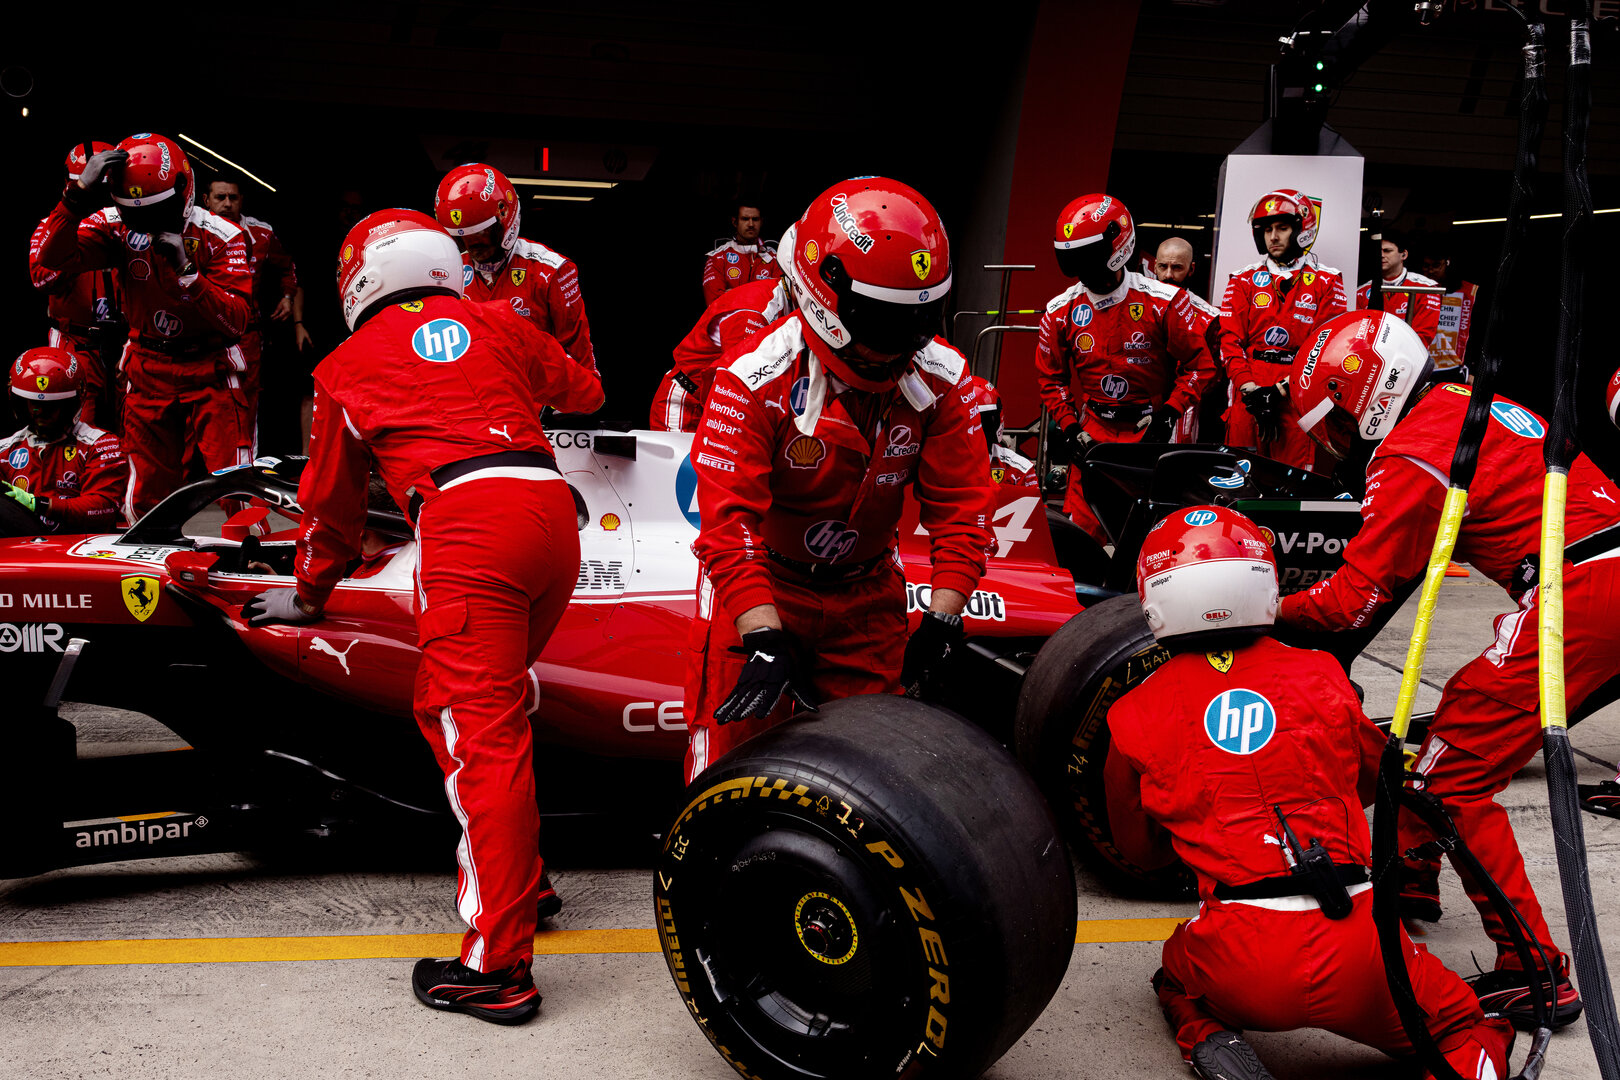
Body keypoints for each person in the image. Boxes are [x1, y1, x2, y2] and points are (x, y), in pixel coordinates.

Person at [243, 208, 604, 1024]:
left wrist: (306, 595)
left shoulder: (343, 365)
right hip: (553, 518)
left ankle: (499, 966)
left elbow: (330, 512)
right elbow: (585, 389)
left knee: (476, 736)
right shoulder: (499, 320)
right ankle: (523, 879)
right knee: (470, 707)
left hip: (471, 529)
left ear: (360, 279)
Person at [1279, 309, 1615, 1028]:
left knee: (1450, 774)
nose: (1336, 444)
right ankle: (1415, 878)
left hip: (1580, 590)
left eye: (1337, 423)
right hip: (1597, 573)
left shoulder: (1410, 450)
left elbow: (1350, 600)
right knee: (1448, 730)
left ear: (1370, 394)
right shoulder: (1467, 404)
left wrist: (1260, 606)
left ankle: (1534, 970)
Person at [1106, 503, 1514, 1080]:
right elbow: (1377, 783)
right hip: (1361, 939)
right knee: (1469, 1028)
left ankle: (1206, 1035)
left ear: (1154, 596)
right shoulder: (1323, 674)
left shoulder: (1131, 712)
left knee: (1176, 977)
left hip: (1240, 951)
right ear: (1265, 582)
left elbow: (1139, 852)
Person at [684, 177, 996, 783]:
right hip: (765, 585)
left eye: (916, 318)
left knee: (874, 782)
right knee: (727, 771)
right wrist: (761, 632)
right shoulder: (752, 377)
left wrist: (946, 615)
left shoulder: (943, 379)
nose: (898, 341)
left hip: (868, 596)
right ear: (825, 293)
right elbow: (726, 522)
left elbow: (962, 508)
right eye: (880, 318)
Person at [30, 133, 255, 519]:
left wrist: (188, 272)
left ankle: (251, 568)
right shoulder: (115, 225)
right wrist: (78, 194)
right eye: (137, 213)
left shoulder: (223, 235)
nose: (146, 222)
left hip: (211, 367)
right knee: (144, 494)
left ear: (183, 187)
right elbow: (49, 261)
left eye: (156, 210)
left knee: (236, 486)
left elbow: (236, 322)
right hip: (148, 364)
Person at [1035, 194, 1217, 545]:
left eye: (1087, 256)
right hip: (1092, 437)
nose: (1081, 267)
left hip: (1149, 436)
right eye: (1072, 258)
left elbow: (1200, 366)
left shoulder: (1164, 301)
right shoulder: (1059, 311)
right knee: (1081, 542)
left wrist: (1169, 416)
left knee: (1148, 540)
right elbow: (1050, 378)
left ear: (1118, 245)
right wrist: (1071, 428)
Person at [1218, 189, 1347, 469]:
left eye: (1282, 228)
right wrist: (1250, 388)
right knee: (1239, 476)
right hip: (1248, 390)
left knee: (1291, 481)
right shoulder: (1243, 279)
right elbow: (1229, 339)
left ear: (1302, 230)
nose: (1273, 237)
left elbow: (1327, 346)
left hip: (1298, 390)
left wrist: (1280, 390)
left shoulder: (1327, 280)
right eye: (1266, 230)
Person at [435, 162, 598, 377]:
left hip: (532, 400)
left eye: (482, 232)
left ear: (505, 216)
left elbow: (579, 363)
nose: (473, 243)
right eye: (462, 236)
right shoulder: (444, 270)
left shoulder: (551, 271)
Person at [201, 179, 312, 446]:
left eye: (233, 197)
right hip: (200, 334)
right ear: (206, 199)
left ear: (242, 200)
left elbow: (288, 266)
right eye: (220, 197)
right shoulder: (191, 229)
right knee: (200, 403)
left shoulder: (260, 232)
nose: (227, 203)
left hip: (245, 334)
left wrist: (287, 298)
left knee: (246, 403)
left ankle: (244, 469)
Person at [30, 143, 123, 431]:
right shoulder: (51, 227)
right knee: (76, 431)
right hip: (75, 344)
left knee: (137, 432)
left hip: (127, 344)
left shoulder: (132, 225)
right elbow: (41, 279)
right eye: (89, 187)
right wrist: (75, 248)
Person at [0, 346, 126, 533]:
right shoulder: (4, 451)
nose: (41, 412)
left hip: (80, 549)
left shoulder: (101, 445)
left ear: (71, 403)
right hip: (23, 548)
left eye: (52, 406)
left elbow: (103, 506)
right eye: (35, 404)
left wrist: (39, 504)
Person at [650, 266, 791, 432]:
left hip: (714, 404)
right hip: (685, 403)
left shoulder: (782, 300)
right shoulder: (756, 308)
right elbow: (743, 379)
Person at [1357, 232, 1441, 349]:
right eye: (1378, 251)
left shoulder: (1426, 288)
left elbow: (1423, 337)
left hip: (1410, 358)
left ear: (1404, 255)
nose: (1381, 255)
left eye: (1387, 251)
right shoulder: (1361, 292)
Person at [701, 200, 782, 306]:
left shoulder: (775, 258)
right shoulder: (717, 257)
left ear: (761, 222)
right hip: (728, 321)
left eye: (755, 219)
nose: (751, 224)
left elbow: (780, 302)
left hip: (764, 322)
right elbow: (715, 303)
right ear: (735, 222)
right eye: (745, 219)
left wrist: (733, 294)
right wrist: (759, 297)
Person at [963, 373, 1037, 487]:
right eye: (968, 420)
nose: (974, 429)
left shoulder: (1020, 470)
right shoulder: (938, 464)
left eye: (983, 421)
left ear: (995, 422)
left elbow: (1032, 504)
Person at [1420, 250, 1478, 376]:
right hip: (1423, 365)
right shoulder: (1415, 289)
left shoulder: (1469, 292)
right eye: (1426, 266)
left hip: (1457, 368)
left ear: (1447, 264)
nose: (1430, 271)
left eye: (1436, 266)